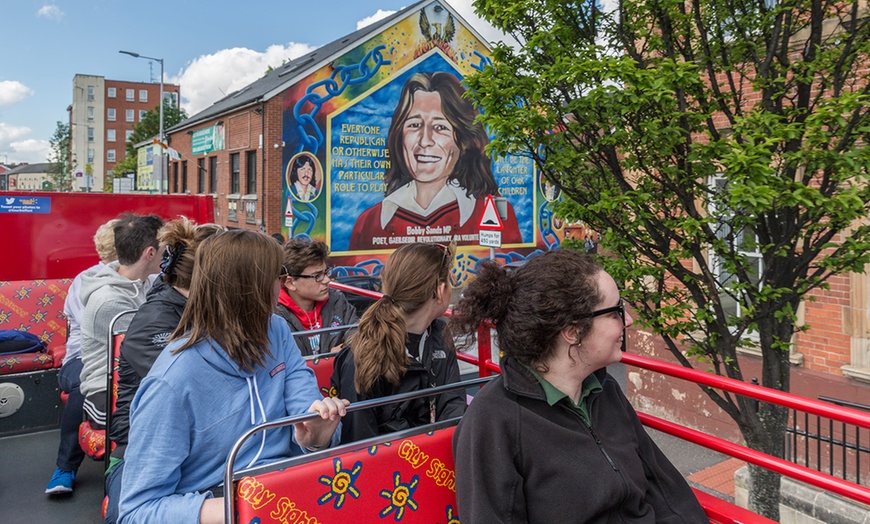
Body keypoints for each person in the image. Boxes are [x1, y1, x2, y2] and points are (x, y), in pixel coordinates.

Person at [449, 251, 707, 522]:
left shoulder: (603, 390)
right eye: (616, 311)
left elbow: (665, 491)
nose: (628, 320)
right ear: (572, 332)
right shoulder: (493, 422)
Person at [118, 230, 348, 524]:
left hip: (289, 489)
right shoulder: (171, 383)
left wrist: (317, 439)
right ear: (248, 290)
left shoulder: (276, 331)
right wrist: (240, 508)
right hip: (219, 501)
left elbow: (307, 412)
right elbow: (137, 511)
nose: (280, 290)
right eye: (275, 278)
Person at [104, 219, 224, 523]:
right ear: (208, 278)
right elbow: (197, 390)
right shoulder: (155, 320)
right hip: (138, 451)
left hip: (202, 445)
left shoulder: (202, 310)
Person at [350, 72, 522, 250]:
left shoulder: (492, 212)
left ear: (463, 140)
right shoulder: (369, 223)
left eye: (440, 127)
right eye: (414, 125)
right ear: (399, 135)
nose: (425, 141)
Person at [330, 242, 465, 444]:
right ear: (440, 291)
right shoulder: (361, 355)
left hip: (436, 459)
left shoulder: (439, 334)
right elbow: (361, 446)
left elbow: (453, 403)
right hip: (390, 468)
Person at [45, 219, 118, 496]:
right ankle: (65, 468)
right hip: (82, 358)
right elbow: (97, 332)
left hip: (121, 357)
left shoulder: (143, 279)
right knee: (83, 385)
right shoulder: (86, 281)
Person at [79, 214, 163, 431]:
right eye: (165, 248)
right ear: (150, 253)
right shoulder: (109, 300)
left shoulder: (145, 282)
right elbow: (147, 349)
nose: (168, 254)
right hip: (105, 391)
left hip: (130, 381)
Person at [275, 239, 359, 356]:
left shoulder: (337, 301)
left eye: (326, 272)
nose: (327, 280)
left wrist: (345, 349)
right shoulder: (274, 316)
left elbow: (358, 333)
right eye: (317, 276)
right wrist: (326, 359)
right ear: (290, 283)